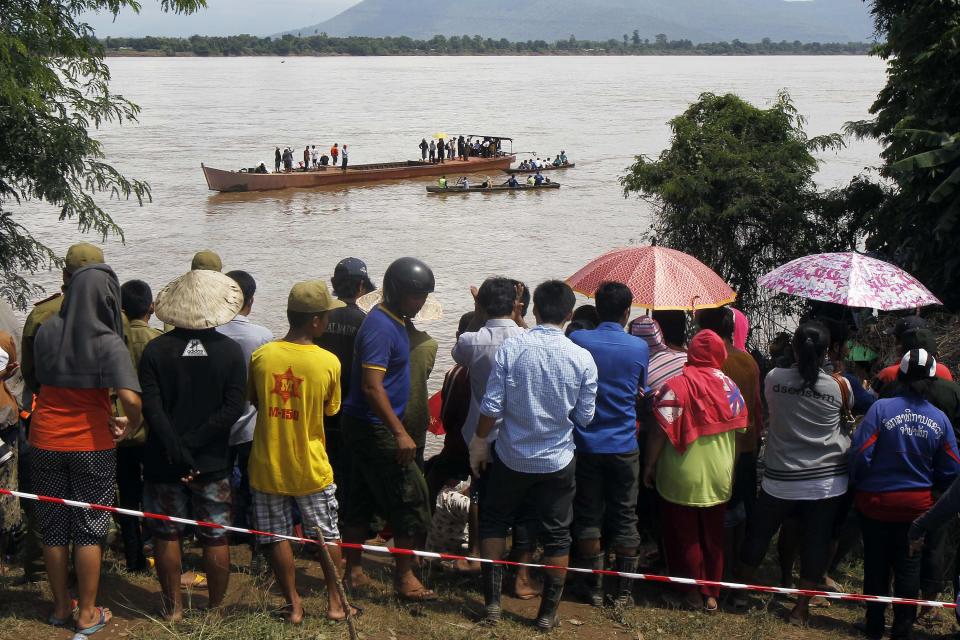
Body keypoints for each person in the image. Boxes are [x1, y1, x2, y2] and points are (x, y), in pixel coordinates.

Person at [471, 280, 598, 630]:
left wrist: (479, 443)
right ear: (569, 314)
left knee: (496, 521)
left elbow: (492, 405)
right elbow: (585, 417)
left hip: (512, 456)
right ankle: (546, 615)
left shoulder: (513, 348)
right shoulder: (582, 357)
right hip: (558, 460)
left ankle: (493, 606)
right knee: (558, 535)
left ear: (533, 310)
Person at [31, 264, 143, 636]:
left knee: (53, 527)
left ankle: (61, 606)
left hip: (44, 438)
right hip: (90, 444)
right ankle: (88, 612)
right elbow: (130, 398)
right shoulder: (107, 340)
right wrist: (131, 423)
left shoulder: (46, 331)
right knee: (90, 528)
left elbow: (34, 379)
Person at [247, 280, 358, 623]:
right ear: (315, 321)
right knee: (327, 535)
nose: (326, 322)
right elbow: (330, 409)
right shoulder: (328, 362)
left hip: (267, 464)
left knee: (277, 537)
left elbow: (254, 400)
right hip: (310, 467)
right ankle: (336, 604)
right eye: (325, 317)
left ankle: (293, 604)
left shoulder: (262, 356)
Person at [139, 269, 246, 621]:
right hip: (212, 461)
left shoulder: (155, 350)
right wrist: (195, 448)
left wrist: (178, 450)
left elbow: (151, 409)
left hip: (164, 459)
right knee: (215, 535)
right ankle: (214, 610)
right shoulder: (230, 352)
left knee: (166, 533)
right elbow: (232, 409)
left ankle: (173, 609)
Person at [737, 321, 853, 624]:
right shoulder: (840, 385)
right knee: (816, 541)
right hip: (825, 482)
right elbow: (849, 410)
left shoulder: (774, 378)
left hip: (780, 478)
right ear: (827, 350)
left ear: (794, 348)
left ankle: (738, 592)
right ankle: (801, 610)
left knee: (760, 533)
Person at [340, 257, 436, 601]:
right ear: (396, 292)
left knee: (362, 496)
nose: (420, 302)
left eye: (424, 295)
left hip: (369, 423)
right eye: (415, 296)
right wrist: (398, 432)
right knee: (411, 497)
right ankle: (405, 577)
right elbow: (370, 386)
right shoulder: (380, 326)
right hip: (373, 426)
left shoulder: (394, 321)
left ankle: (352, 571)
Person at [850, 349, 959, 640]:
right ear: (933, 380)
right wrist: (933, 492)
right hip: (916, 510)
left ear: (899, 375)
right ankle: (902, 629)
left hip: (875, 504)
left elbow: (860, 454)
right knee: (908, 568)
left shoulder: (880, 409)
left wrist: (859, 484)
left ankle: (873, 626)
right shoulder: (940, 419)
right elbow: (952, 468)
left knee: (876, 565)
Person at [643, 329, 747, 612]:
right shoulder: (731, 387)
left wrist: (650, 465)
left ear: (691, 354)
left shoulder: (675, 386)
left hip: (681, 475)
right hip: (720, 473)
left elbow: (659, 433)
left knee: (683, 536)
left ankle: (689, 593)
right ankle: (711, 594)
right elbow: (738, 436)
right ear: (720, 355)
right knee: (714, 537)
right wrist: (732, 470)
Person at [568, 282, 648, 607]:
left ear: (596, 308)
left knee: (588, 515)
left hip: (585, 444)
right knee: (625, 515)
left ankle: (594, 587)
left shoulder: (578, 340)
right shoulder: (638, 347)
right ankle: (624, 592)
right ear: (628, 311)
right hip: (624, 444)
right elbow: (640, 389)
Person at [453, 279, 532, 589]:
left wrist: (477, 313)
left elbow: (458, 349)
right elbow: (529, 332)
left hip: (481, 437)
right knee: (524, 503)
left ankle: (480, 562)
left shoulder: (474, 341)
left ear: (483, 306)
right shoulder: (527, 337)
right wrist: (518, 314)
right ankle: (522, 576)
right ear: (514, 306)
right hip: (519, 436)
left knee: (482, 499)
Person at [216, 271, 273, 541]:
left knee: (219, 480)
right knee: (253, 483)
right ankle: (253, 534)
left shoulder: (208, 333)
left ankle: (223, 532)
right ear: (250, 301)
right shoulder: (263, 336)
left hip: (215, 425)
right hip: (251, 425)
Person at [315, 257, 375, 511]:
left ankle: (322, 515)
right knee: (352, 471)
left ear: (334, 284)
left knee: (323, 466)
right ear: (362, 285)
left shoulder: (320, 318)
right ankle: (347, 519)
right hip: (354, 409)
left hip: (318, 408)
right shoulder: (367, 320)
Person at [116, 280, 162, 574]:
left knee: (127, 496)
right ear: (152, 307)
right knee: (157, 493)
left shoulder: (113, 341)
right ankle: (159, 549)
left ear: (120, 308)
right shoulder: (157, 341)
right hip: (151, 430)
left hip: (119, 432)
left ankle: (133, 558)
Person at [425, 312, 475, 509]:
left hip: (458, 448)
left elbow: (447, 418)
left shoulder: (458, 372)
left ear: (457, 337)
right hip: (490, 448)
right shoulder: (497, 366)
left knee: (431, 482)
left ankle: (425, 531)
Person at [873, 317, 953, 390]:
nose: (894, 343)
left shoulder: (889, 374)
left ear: (903, 343)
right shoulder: (943, 370)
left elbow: (872, 403)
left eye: (896, 339)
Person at [404, 319, 437, 469]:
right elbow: (425, 375)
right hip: (417, 414)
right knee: (416, 469)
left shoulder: (381, 341)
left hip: (385, 418)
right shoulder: (430, 343)